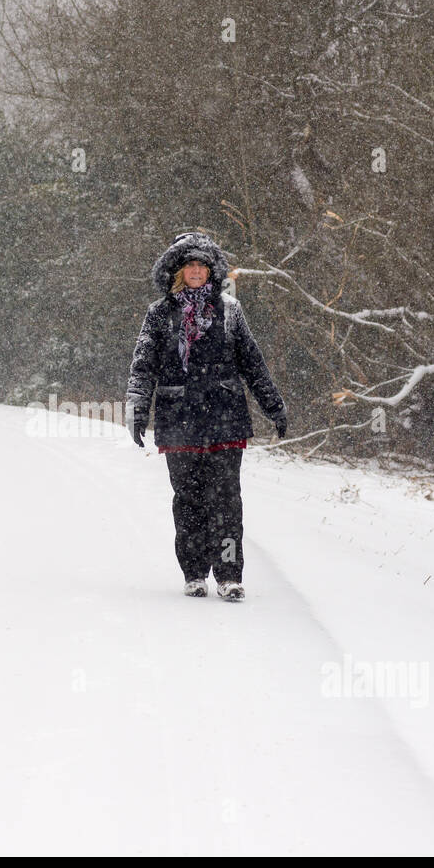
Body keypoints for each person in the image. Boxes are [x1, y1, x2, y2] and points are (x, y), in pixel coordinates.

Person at [125, 231, 287, 601]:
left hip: (225, 418)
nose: (196, 271)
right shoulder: (160, 314)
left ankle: (230, 575)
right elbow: (143, 367)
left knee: (227, 500)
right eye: (189, 265)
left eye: (202, 265)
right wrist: (136, 409)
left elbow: (252, 363)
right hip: (178, 419)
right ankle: (195, 572)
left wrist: (274, 405)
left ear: (212, 271)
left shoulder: (230, 311)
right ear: (178, 272)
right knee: (189, 499)